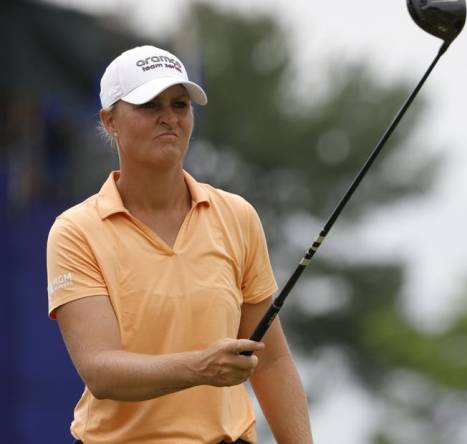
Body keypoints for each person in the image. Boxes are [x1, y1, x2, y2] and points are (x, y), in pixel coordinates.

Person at [46, 45, 313, 443]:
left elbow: (270, 360)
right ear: (110, 120)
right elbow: (101, 371)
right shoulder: (76, 231)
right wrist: (201, 367)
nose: (169, 118)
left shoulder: (237, 216)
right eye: (149, 105)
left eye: (180, 104)